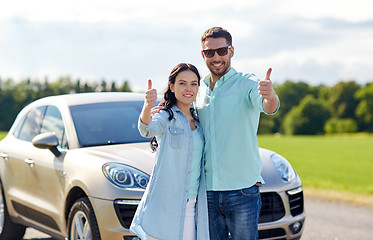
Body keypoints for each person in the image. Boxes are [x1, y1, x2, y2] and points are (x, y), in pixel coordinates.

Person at [194, 27, 280, 240]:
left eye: (222, 51)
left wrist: (271, 96)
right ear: (203, 55)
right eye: (210, 52)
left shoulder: (247, 83)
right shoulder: (199, 89)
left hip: (242, 191)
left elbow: (268, 106)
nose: (216, 57)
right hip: (207, 192)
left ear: (232, 51)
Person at [130, 63, 209, 240]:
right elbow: (146, 129)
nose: (188, 88)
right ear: (172, 87)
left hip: (194, 203)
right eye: (182, 83)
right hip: (166, 204)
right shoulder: (165, 116)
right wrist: (147, 107)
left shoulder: (200, 120)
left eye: (194, 83)